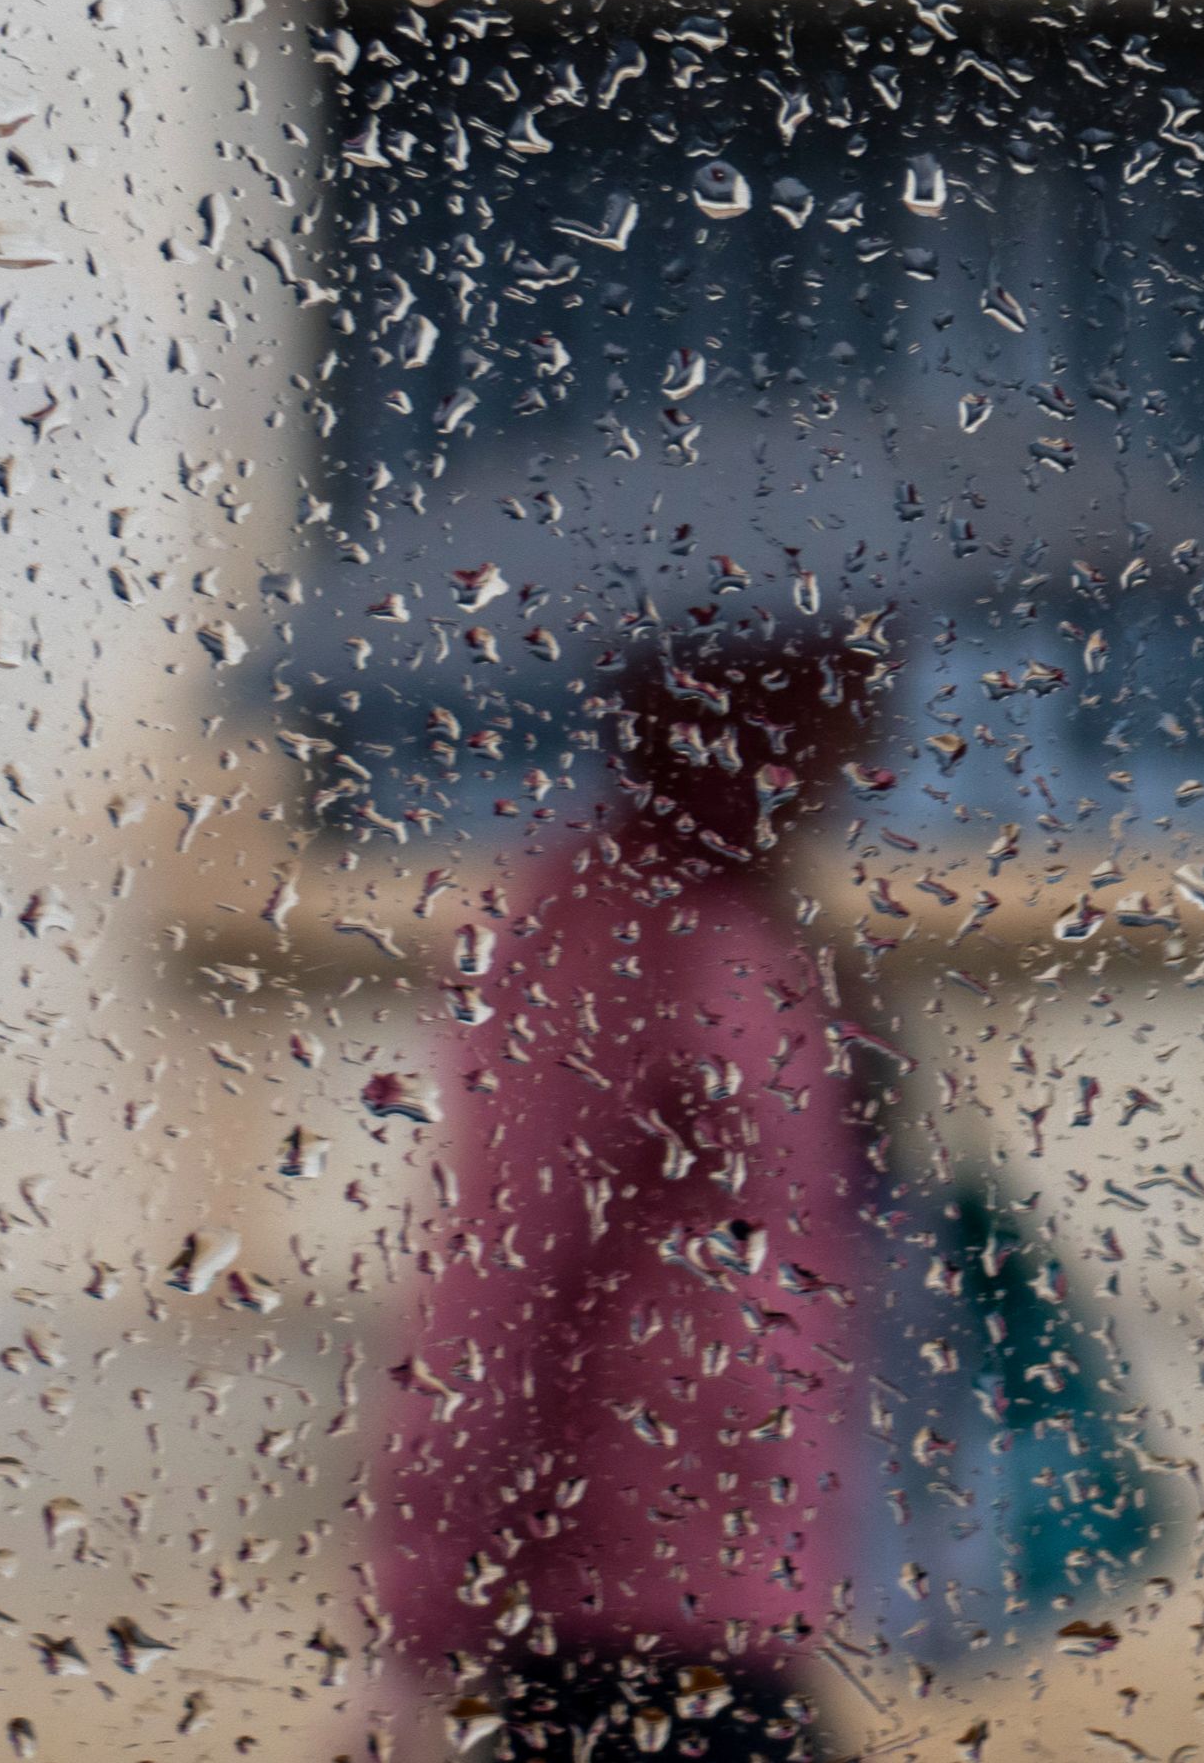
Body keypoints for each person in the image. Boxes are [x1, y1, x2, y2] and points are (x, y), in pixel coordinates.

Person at [375, 625, 887, 1761]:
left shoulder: (745, 916)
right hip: (612, 1597)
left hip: (740, 1567)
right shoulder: (609, 933)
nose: (868, 732)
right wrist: (428, 1603)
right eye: (832, 691)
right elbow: (508, 1262)